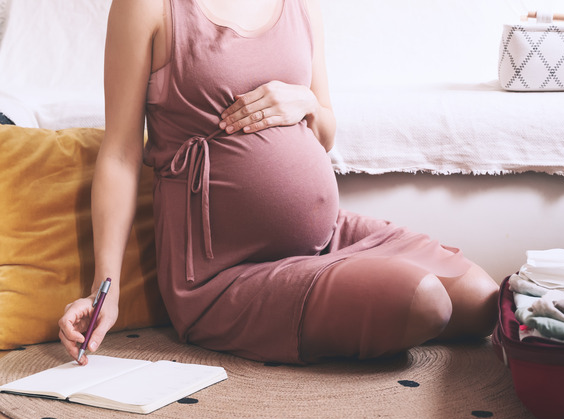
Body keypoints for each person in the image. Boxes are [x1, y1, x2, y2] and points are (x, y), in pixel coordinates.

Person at [59, 0, 499, 365]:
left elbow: (325, 130)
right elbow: (120, 154)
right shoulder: (148, 7)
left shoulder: (302, 6)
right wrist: (105, 290)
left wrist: (306, 102)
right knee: (426, 303)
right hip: (223, 276)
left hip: (327, 238)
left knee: (482, 301)